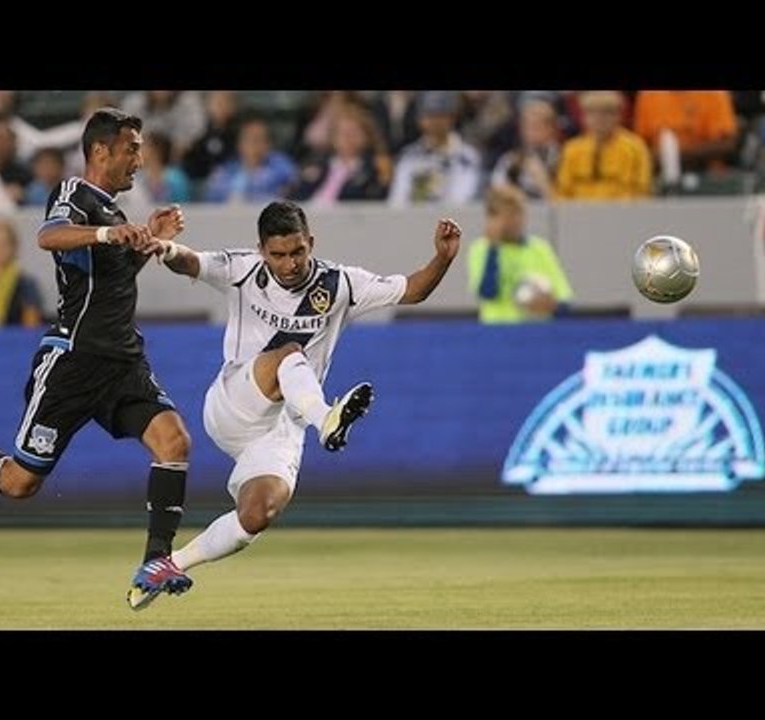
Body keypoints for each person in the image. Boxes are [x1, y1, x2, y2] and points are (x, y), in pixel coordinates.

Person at [0, 108, 196, 608]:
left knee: (174, 440)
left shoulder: (115, 215)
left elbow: (109, 281)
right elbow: (47, 236)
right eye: (132, 148)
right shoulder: (75, 194)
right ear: (100, 151)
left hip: (122, 361)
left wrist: (149, 239)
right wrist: (107, 234)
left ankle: (155, 561)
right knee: (19, 483)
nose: (140, 159)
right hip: (72, 363)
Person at [136, 200, 461, 607]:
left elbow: (412, 290)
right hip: (235, 403)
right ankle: (327, 419)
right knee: (290, 353)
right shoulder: (242, 270)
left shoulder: (340, 283)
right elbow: (190, 261)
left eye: (297, 252)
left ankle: (168, 565)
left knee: (258, 512)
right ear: (261, 251)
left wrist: (442, 258)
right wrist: (165, 248)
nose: (289, 264)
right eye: (278, 255)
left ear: (311, 242)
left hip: (284, 426)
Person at [467, 186, 573, 323]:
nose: (516, 221)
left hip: (536, 332)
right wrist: (493, 249)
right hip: (496, 332)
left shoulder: (540, 248)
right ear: (492, 219)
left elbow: (565, 300)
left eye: (519, 213)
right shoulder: (480, 249)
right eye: (509, 215)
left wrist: (551, 306)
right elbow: (488, 293)